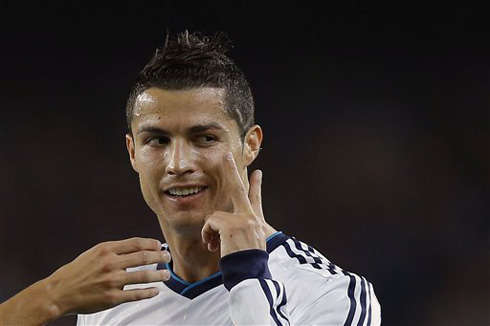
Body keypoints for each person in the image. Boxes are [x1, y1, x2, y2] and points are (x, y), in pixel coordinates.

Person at [1, 30, 381, 325]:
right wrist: (52, 296)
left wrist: (249, 276)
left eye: (205, 138)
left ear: (251, 144)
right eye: (157, 140)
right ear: (133, 152)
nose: (178, 163)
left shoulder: (329, 293)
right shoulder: (111, 293)